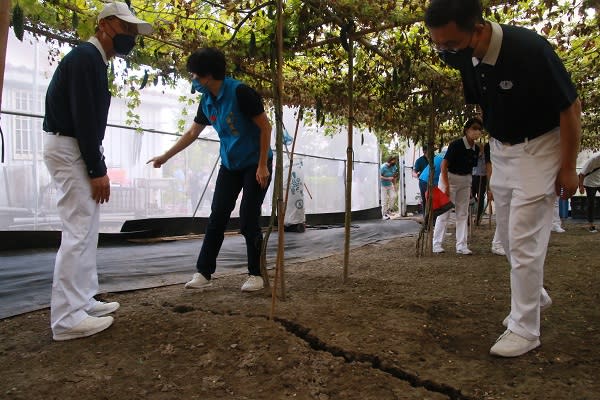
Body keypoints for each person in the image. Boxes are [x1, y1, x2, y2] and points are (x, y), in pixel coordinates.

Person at [426, 0, 581, 357]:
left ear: (477, 29)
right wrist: (496, 150)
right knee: (508, 238)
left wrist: (568, 167)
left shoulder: (529, 49)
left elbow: (570, 108)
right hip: (503, 150)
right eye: (439, 44)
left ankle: (525, 328)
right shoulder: (461, 54)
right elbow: (485, 104)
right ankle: (535, 295)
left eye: (450, 44)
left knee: (525, 238)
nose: (445, 52)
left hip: (541, 147)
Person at [42, 2, 153, 341]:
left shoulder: (94, 62)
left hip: (74, 145)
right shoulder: (85, 59)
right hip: (69, 146)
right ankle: (66, 319)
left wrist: (93, 161)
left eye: (133, 32)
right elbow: (84, 117)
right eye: (126, 29)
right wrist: (96, 167)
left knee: (86, 227)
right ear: (104, 25)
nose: (130, 37)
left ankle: (83, 300)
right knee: (77, 230)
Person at [148, 48, 273, 292]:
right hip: (230, 164)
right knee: (217, 216)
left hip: (255, 162)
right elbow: (192, 133)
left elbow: (265, 128)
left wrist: (262, 165)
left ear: (208, 76)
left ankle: (256, 274)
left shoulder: (241, 93)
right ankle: (203, 272)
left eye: (195, 76)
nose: (193, 81)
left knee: (248, 217)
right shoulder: (206, 101)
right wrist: (165, 157)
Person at [432, 118, 480, 254]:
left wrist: (469, 186)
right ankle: (436, 244)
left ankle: (461, 245)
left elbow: (471, 168)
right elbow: (444, 165)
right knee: (444, 212)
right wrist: (446, 185)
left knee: (463, 213)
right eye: (474, 128)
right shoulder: (456, 145)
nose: (477, 132)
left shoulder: (475, 148)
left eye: (479, 129)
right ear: (467, 130)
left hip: (465, 180)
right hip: (450, 178)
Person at [578, 152, 600, 232]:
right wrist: (581, 186)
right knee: (591, 203)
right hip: (590, 182)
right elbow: (582, 173)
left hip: (599, 180)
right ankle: (591, 225)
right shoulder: (594, 159)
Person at [471, 141, 487, 225]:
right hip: (473, 176)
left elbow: (487, 167)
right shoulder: (473, 155)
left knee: (480, 197)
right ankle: (468, 218)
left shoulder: (485, 156)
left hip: (482, 177)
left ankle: (477, 218)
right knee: (470, 196)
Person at [413, 145, 429, 215]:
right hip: (424, 183)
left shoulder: (435, 158)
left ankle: (434, 218)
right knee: (425, 199)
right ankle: (426, 217)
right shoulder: (419, 160)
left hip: (434, 182)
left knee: (435, 200)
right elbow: (414, 172)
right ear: (424, 151)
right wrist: (417, 175)